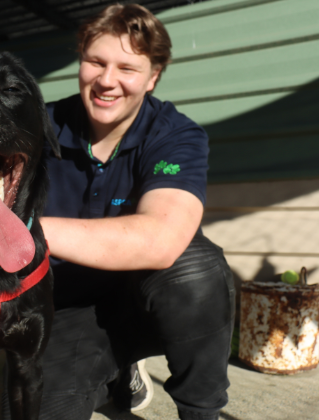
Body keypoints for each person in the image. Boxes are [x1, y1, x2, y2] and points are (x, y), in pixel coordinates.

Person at [34, 4, 235, 420]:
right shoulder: (41, 125)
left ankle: (200, 410)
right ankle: (119, 370)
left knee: (194, 268)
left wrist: (25, 230)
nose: (107, 81)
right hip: (68, 303)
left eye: (127, 68)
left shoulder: (175, 134)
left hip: (146, 297)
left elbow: (160, 240)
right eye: (95, 62)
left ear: (152, 77)